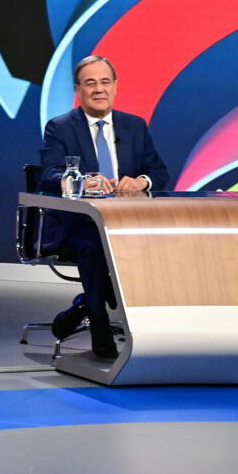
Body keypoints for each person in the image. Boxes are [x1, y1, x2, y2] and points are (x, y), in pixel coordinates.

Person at [39, 55, 168, 358]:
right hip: (80, 226)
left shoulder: (134, 126)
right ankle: (99, 323)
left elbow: (159, 172)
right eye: (90, 83)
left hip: (128, 223)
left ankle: (88, 303)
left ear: (115, 86)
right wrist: (82, 180)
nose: (99, 89)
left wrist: (142, 181)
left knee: (161, 244)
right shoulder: (60, 127)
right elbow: (49, 174)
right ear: (78, 90)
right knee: (95, 245)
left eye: (105, 82)